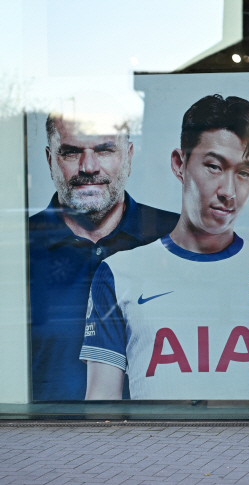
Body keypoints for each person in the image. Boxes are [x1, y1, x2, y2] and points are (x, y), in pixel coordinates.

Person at [79, 94, 249, 400]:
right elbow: (101, 402)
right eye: (214, 167)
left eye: (244, 173)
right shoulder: (119, 272)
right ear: (180, 164)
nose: (229, 192)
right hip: (158, 447)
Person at [29, 97, 179, 401]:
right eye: (71, 152)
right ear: (49, 160)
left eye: (104, 150)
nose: (88, 167)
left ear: (128, 156)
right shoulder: (17, 246)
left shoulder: (174, 237)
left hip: (159, 436)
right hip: (41, 438)